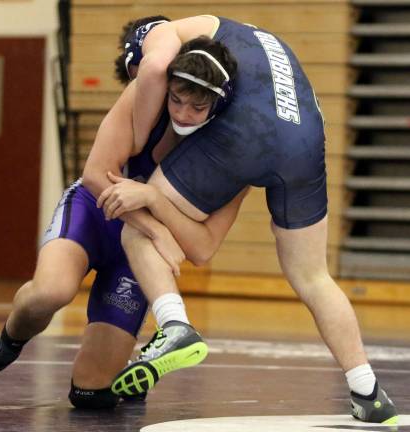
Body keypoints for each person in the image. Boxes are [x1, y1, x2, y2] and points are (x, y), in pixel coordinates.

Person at [99, 16, 398, 425]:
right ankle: (367, 390)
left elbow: (152, 69)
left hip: (246, 133)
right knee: (312, 277)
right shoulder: (233, 31)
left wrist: (140, 148)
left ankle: (174, 325)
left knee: (138, 225)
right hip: (305, 137)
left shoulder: (155, 41)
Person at [0, 33, 243, 409]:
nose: (182, 114)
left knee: (90, 395)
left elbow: (203, 247)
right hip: (95, 211)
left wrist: (151, 203)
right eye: (177, 100)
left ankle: (125, 372)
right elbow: (97, 176)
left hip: (134, 253)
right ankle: (3, 347)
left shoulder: (232, 152)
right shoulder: (144, 95)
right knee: (51, 291)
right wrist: (154, 227)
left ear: (218, 105)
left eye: (196, 108)